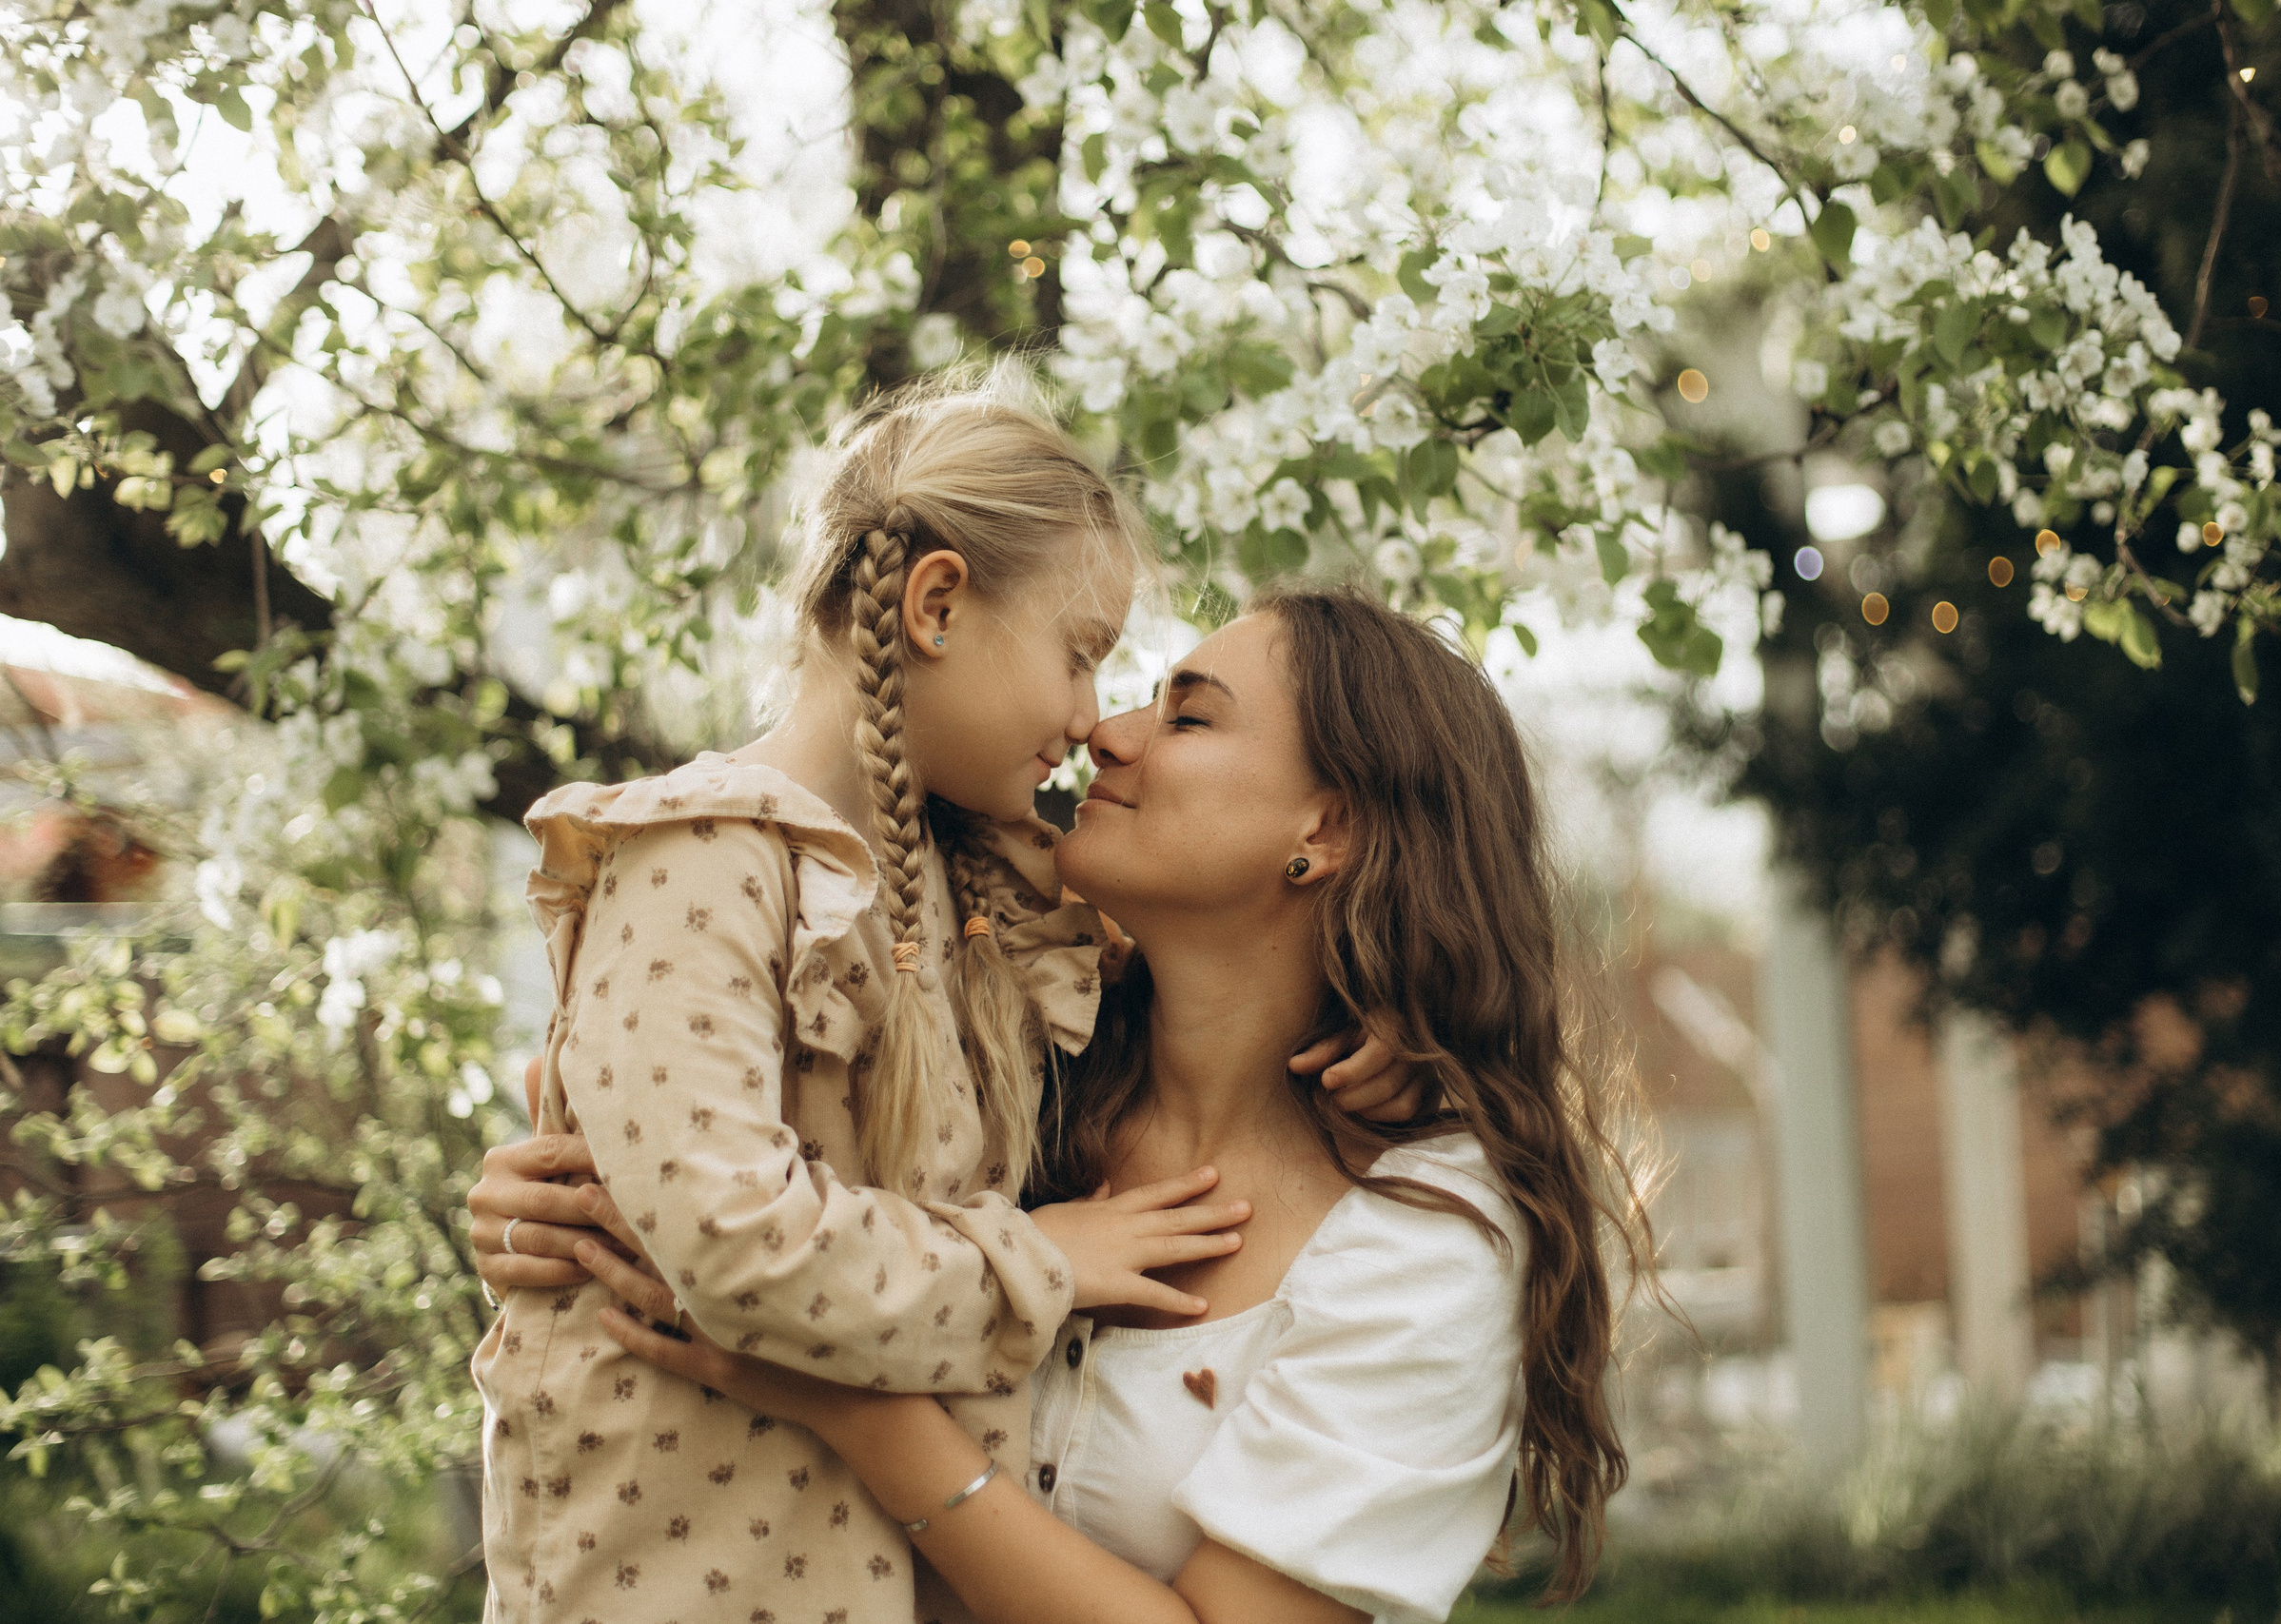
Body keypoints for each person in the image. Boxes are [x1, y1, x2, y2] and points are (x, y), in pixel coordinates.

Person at [466, 372, 1414, 1624]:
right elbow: (733, 1243)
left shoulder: (981, 900)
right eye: (1080, 656)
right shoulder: (699, 857)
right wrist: (1041, 1260)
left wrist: (1385, 1012)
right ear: (937, 603)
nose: (1091, 721)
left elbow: (1233, 964)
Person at [571, 588, 1650, 1624]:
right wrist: (561, 1188)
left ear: (1326, 825)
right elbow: (737, 1177)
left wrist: (848, 1399)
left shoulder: (1424, 1234)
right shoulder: (1010, 1075)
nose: (1107, 734)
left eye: (1187, 716)